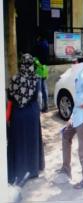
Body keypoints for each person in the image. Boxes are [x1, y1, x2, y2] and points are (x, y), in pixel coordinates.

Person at [55, 51, 83, 189]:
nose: (72, 63)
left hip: (82, 117)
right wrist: (71, 117)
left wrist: (82, 101)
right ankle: (66, 169)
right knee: (66, 135)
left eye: (74, 61)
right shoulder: (78, 75)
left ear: (80, 62)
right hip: (76, 115)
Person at [7, 53, 45, 184]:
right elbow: (39, 100)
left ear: (21, 64)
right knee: (31, 140)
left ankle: (18, 170)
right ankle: (33, 170)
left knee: (18, 141)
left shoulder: (14, 78)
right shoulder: (36, 79)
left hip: (18, 114)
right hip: (32, 114)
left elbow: (10, 98)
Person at [33, 32, 49, 112]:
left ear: (39, 36)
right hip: (45, 68)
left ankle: (39, 108)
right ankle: (46, 107)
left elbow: (35, 58)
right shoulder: (46, 44)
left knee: (39, 90)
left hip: (39, 68)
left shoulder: (38, 45)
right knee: (45, 88)